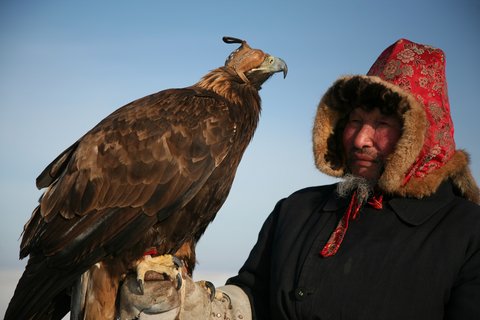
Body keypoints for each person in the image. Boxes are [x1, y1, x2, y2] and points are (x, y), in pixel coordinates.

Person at [119, 38, 480, 319]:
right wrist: (193, 308)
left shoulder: (467, 233)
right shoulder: (298, 209)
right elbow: (252, 297)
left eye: (382, 125)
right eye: (355, 121)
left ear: (421, 136)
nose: (360, 139)